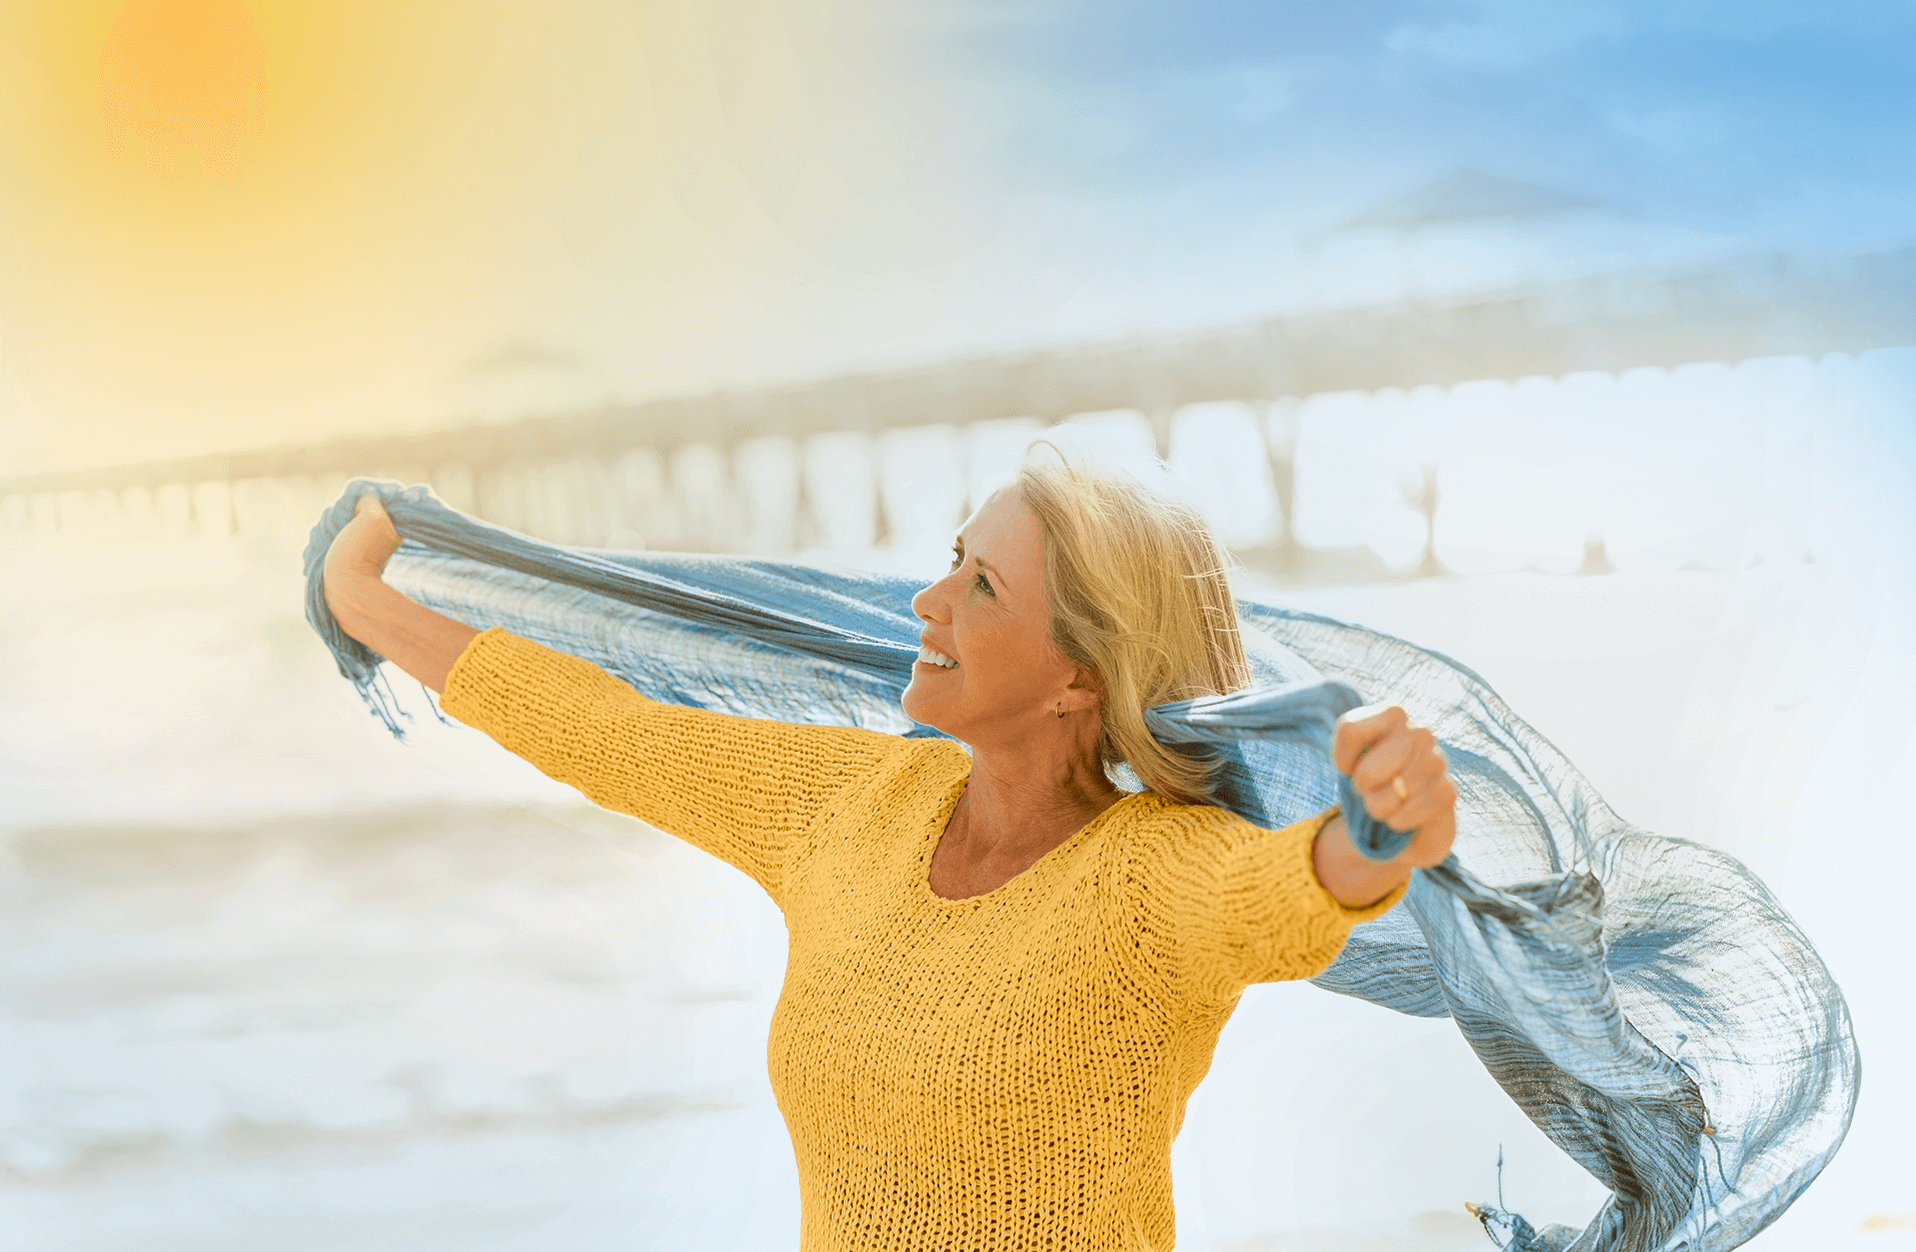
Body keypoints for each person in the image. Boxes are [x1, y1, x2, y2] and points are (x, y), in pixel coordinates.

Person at [322, 453, 1458, 1252]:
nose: (927, 601)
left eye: (981, 585)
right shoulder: (855, 805)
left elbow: (1280, 892)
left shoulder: (1148, 877)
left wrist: (1373, 833)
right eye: (952, 558)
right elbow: (611, 731)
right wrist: (362, 600)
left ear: (1078, 676)